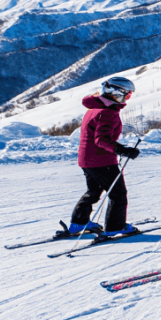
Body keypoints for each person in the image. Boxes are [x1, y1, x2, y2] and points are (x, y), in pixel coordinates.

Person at [65, 76, 141, 237]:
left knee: (93, 191)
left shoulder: (94, 108)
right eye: (127, 95)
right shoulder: (108, 112)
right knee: (118, 194)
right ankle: (115, 226)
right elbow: (101, 140)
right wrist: (123, 150)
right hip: (102, 161)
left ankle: (78, 223)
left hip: (86, 160)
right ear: (115, 93)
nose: (127, 98)